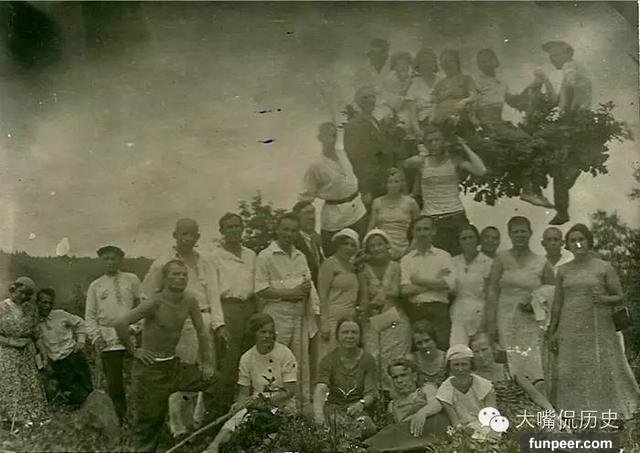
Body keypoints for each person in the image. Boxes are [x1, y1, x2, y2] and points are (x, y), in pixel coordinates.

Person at [114, 259, 218, 452]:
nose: (181, 278)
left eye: (184, 274)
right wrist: (135, 351)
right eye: (175, 274)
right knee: (149, 424)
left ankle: (202, 435)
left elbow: (202, 331)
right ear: (165, 278)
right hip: (150, 371)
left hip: (173, 367)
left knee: (214, 381)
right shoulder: (156, 302)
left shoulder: (189, 300)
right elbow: (120, 323)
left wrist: (207, 363)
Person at [548, 224, 640, 419]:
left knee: (600, 363)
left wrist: (603, 299)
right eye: (573, 240)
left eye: (581, 239)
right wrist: (553, 330)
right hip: (570, 325)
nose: (577, 244)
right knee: (572, 366)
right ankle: (576, 412)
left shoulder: (603, 267)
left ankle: (606, 411)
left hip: (598, 323)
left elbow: (619, 296)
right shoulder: (563, 270)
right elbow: (557, 303)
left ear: (589, 241)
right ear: (568, 245)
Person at [142, 219, 225, 434]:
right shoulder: (162, 263)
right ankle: (177, 427)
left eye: (192, 234)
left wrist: (219, 324)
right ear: (175, 235)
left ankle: (197, 423)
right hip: (181, 323)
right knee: (182, 373)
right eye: (183, 234)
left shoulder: (205, 261)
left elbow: (214, 295)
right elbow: (148, 295)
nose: (187, 239)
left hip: (205, 320)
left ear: (198, 237)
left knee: (205, 371)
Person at [204, 314, 297, 453]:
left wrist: (263, 402)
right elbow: (243, 393)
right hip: (255, 406)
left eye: (271, 332)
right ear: (255, 333)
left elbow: (289, 391)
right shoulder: (247, 358)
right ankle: (213, 447)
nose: (267, 336)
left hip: (282, 406)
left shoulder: (285, 354)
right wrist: (239, 404)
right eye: (263, 332)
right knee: (235, 421)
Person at [255, 212, 319, 407]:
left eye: (293, 230)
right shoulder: (266, 256)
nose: (289, 234)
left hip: (299, 313)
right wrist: (290, 293)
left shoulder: (300, 256)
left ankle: (297, 408)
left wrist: (301, 294)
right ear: (277, 229)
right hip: (277, 312)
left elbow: (307, 285)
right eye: (285, 229)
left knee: (298, 361)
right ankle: (270, 406)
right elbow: (261, 289)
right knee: (274, 357)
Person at [486, 217, 555, 394]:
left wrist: (536, 299)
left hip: (530, 319)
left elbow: (553, 290)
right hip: (505, 318)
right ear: (509, 234)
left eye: (523, 231)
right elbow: (492, 290)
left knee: (532, 362)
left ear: (530, 233)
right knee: (508, 361)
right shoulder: (501, 259)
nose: (519, 235)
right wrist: (491, 322)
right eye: (515, 231)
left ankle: (537, 402)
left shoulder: (541, 262)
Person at [403, 125, 486, 256]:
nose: (434, 144)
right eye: (430, 141)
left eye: (437, 140)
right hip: (432, 218)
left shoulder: (454, 160)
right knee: (433, 257)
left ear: (444, 141)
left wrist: (464, 145)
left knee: (461, 256)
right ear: (425, 144)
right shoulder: (421, 162)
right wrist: (422, 153)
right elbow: (404, 164)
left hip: (456, 215)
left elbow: (481, 170)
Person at [537, 41, 593, 225]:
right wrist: (545, 80)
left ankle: (562, 210)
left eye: (557, 55)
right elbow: (557, 100)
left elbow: (570, 83)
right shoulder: (569, 71)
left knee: (559, 165)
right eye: (551, 56)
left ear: (569, 54)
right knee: (562, 170)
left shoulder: (570, 66)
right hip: (575, 119)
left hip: (575, 120)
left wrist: (565, 112)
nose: (553, 59)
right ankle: (562, 209)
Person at [85, 245, 141, 423]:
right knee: (114, 381)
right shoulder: (96, 285)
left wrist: (136, 327)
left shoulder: (131, 279)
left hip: (131, 334)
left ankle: (140, 416)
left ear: (120, 260)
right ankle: (120, 418)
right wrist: (96, 337)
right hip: (108, 337)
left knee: (137, 376)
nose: (110, 262)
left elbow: (142, 305)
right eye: (106, 259)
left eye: (113, 258)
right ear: (101, 261)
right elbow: (90, 316)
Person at [300, 121, 367, 257]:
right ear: (320, 138)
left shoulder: (343, 154)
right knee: (335, 256)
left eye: (334, 135)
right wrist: (308, 229)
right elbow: (306, 197)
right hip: (335, 217)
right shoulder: (315, 165)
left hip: (357, 211)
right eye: (328, 135)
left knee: (361, 253)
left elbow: (358, 173)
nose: (332, 139)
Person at [211, 213, 257, 413]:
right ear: (222, 231)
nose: (234, 230)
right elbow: (213, 292)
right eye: (229, 227)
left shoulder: (251, 255)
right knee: (228, 363)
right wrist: (219, 324)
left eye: (237, 226)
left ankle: (247, 411)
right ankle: (219, 413)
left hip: (249, 308)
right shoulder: (214, 256)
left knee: (249, 361)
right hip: (228, 309)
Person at [359, 229, 412, 390]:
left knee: (395, 359)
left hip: (394, 317)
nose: (376, 248)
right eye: (372, 246)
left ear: (387, 245)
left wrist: (383, 294)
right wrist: (364, 311)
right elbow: (364, 296)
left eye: (380, 244)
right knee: (373, 356)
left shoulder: (395, 266)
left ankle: (399, 394)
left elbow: (395, 291)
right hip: (374, 318)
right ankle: (377, 396)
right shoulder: (364, 269)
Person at [471, 333, 555, 427]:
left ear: (493, 349)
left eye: (484, 349)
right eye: (476, 351)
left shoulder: (508, 369)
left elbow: (535, 395)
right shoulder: (473, 378)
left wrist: (553, 413)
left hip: (528, 415)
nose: (481, 355)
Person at [313, 316, 378, 439]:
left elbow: (371, 393)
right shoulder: (328, 360)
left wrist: (361, 403)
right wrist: (319, 415)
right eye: (345, 332)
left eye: (354, 332)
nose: (350, 336)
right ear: (337, 336)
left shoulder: (368, 360)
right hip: (334, 408)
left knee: (367, 426)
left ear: (360, 336)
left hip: (357, 409)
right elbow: (321, 388)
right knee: (334, 423)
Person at [364, 358, 449, 452]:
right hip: (409, 443)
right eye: (395, 377)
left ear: (414, 376)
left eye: (403, 375)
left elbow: (436, 405)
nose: (399, 381)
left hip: (431, 436)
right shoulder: (392, 405)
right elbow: (397, 432)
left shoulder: (426, 389)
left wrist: (421, 413)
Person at [400, 215, 455, 350]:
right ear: (413, 233)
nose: (422, 233)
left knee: (442, 349)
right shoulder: (407, 260)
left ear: (433, 231)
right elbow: (405, 290)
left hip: (439, 310)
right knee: (420, 352)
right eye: (418, 230)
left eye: (426, 229)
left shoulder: (444, 256)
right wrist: (436, 279)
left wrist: (418, 281)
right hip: (417, 310)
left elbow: (448, 285)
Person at [0, 277, 49, 425]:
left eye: (27, 294)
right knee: (11, 384)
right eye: (21, 292)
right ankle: (11, 418)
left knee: (29, 384)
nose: (23, 296)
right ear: (13, 288)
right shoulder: (1, 308)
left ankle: (31, 417)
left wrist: (43, 353)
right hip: (6, 352)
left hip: (27, 352)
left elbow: (37, 334)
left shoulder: (31, 310)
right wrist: (11, 342)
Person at [35, 288, 93, 407]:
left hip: (74, 355)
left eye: (50, 303)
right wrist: (43, 365)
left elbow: (80, 323)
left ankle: (95, 410)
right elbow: (36, 346)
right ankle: (81, 410)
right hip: (59, 363)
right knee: (72, 389)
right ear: (37, 302)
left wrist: (81, 341)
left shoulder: (60, 315)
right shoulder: (34, 322)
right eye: (44, 302)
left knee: (87, 385)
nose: (47, 306)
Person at [344, 86, 397, 204]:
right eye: (365, 97)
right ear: (357, 101)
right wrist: (365, 189)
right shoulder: (353, 125)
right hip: (372, 183)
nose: (370, 100)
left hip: (385, 179)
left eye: (373, 97)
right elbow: (355, 159)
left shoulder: (375, 121)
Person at [436, 345, 496, 439]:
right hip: (464, 432)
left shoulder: (485, 386)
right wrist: (466, 431)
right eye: (456, 365)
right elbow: (455, 422)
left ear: (471, 365)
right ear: (449, 366)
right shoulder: (445, 391)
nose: (460, 369)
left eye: (464, 364)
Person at [317, 228, 360, 361]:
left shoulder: (353, 267)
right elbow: (322, 294)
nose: (349, 248)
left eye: (353, 245)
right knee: (329, 355)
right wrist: (324, 322)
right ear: (338, 245)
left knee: (346, 357)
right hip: (332, 316)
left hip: (349, 317)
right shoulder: (329, 264)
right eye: (345, 244)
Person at [450, 224, 493, 346]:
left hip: (480, 311)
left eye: (471, 237)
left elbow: (491, 294)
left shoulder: (488, 262)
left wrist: (487, 319)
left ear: (477, 240)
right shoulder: (453, 262)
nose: (468, 241)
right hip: (458, 311)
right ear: (459, 242)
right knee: (459, 348)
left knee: (481, 347)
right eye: (464, 238)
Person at [367, 168, 420, 258]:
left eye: (396, 182)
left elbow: (418, 229)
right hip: (381, 248)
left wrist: (411, 249)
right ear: (385, 184)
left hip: (404, 248)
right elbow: (371, 227)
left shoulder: (410, 202)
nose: (393, 185)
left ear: (401, 183)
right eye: (390, 182)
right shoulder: (377, 202)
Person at [431, 50, 478, 125]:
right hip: (442, 118)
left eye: (450, 61)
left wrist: (464, 101)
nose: (447, 64)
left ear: (457, 62)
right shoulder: (440, 83)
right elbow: (434, 101)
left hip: (460, 116)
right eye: (444, 62)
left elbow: (474, 96)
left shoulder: (466, 79)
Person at [407, 48, 440, 140]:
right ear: (418, 66)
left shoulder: (442, 80)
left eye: (429, 62)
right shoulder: (415, 84)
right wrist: (418, 131)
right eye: (423, 63)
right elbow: (412, 114)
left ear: (434, 64)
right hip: (423, 126)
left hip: (442, 122)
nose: (427, 65)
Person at [353, 38, 391, 115]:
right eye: (371, 54)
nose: (373, 57)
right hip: (370, 106)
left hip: (390, 105)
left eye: (377, 54)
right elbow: (360, 92)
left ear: (385, 55)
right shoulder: (362, 71)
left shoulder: (393, 69)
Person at [292, 200, 324, 286]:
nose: (312, 217)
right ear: (296, 217)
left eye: (313, 213)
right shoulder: (292, 242)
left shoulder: (315, 241)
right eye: (307, 213)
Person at [406, 320, 447, 387]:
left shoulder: (446, 359)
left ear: (434, 339)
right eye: (419, 343)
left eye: (427, 341)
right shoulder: (412, 360)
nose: (424, 346)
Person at [380, 51, 413, 131]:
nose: (402, 67)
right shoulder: (390, 80)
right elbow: (395, 106)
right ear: (394, 67)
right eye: (398, 64)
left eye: (405, 64)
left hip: (410, 111)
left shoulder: (412, 78)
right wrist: (405, 88)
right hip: (392, 109)